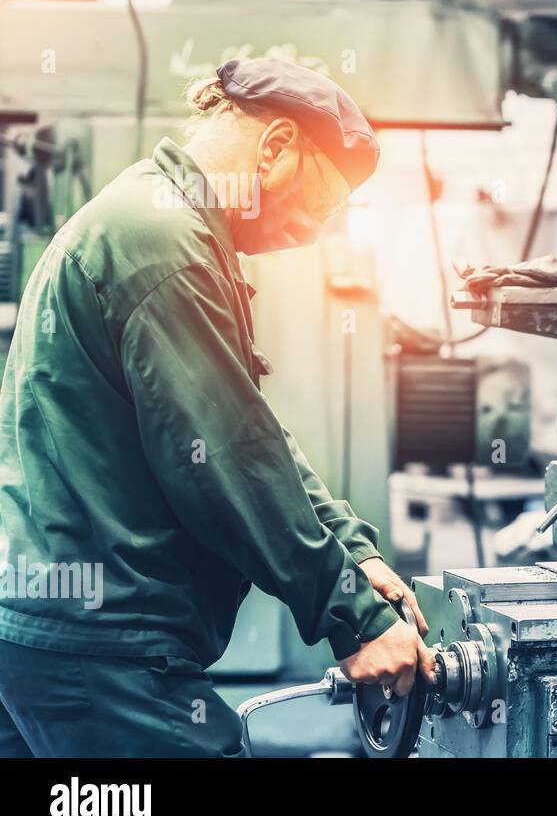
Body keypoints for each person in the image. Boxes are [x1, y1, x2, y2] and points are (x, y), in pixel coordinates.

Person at [0, 58, 433, 756]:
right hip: (104, 644)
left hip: (49, 635)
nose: (310, 233)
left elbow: (250, 431)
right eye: (318, 205)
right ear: (275, 147)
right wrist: (353, 616)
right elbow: (222, 460)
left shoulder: (157, 217)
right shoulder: (162, 240)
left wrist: (351, 553)